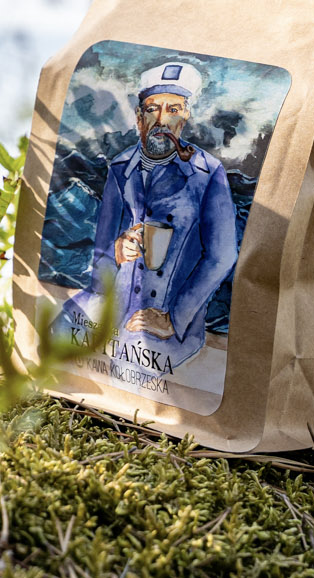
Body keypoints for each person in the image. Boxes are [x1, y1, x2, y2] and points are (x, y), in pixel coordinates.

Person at [59, 60, 238, 367]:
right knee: (55, 338)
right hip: (110, 304)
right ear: (139, 117)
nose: (161, 120)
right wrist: (116, 251)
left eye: (173, 109)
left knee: (132, 369)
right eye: (153, 108)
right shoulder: (120, 166)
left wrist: (174, 318)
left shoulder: (208, 173)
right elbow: (102, 246)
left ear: (185, 117)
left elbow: (222, 255)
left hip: (162, 320)